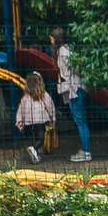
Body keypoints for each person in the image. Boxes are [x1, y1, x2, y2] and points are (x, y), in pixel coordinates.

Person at [52, 29, 92, 162]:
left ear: (56, 39)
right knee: (81, 120)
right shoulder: (66, 50)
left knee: (80, 120)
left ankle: (86, 152)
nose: (50, 41)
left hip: (75, 88)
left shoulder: (63, 52)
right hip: (77, 87)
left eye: (51, 38)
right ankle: (85, 149)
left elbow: (75, 68)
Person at [16, 71, 56, 162]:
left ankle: (35, 154)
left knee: (33, 137)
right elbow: (50, 107)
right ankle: (34, 148)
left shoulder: (25, 97)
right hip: (40, 120)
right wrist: (52, 119)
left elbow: (20, 109)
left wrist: (19, 121)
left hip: (29, 122)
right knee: (41, 138)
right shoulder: (44, 95)